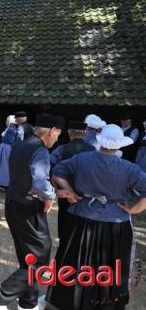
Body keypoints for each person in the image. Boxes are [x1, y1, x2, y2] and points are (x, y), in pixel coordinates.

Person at [45, 124, 146, 310]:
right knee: (110, 267)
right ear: (119, 145)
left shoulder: (82, 159)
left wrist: (70, 192)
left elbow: (58, 171)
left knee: (77, 262)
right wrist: (133, 210)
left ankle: (70, 302)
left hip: (82, 219)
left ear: (101, 141)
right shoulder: (129, 168)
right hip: (115, 223)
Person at [0, 113, 78, 310]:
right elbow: (41, 185)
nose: (57, 139)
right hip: (28, 209)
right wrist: (57, 194)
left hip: (13, 203)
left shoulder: (20, 144)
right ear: (51, 131)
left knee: (28, 257)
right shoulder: (40, 151)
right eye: (58, 135)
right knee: (40, 259)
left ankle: (28, 303)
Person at [49, 121, 95, 247]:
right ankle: (81, 243)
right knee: (84, 217)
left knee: (64, 215)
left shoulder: (62, 149)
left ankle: (64, 241)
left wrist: (53, 184)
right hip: (86, 191)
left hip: (66, 191)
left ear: (69, 133)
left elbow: (50, 164)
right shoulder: (93, 150)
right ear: (85, 134)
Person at [0, 115, 16, 191]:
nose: (5, 122)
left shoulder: (11, 129)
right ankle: (3, 184)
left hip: (7, 149)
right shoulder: (9, 129)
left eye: (7, 121)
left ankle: (5, 185)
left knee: (5, 166)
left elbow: (12, 141)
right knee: (3, 166)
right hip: (5, 148)